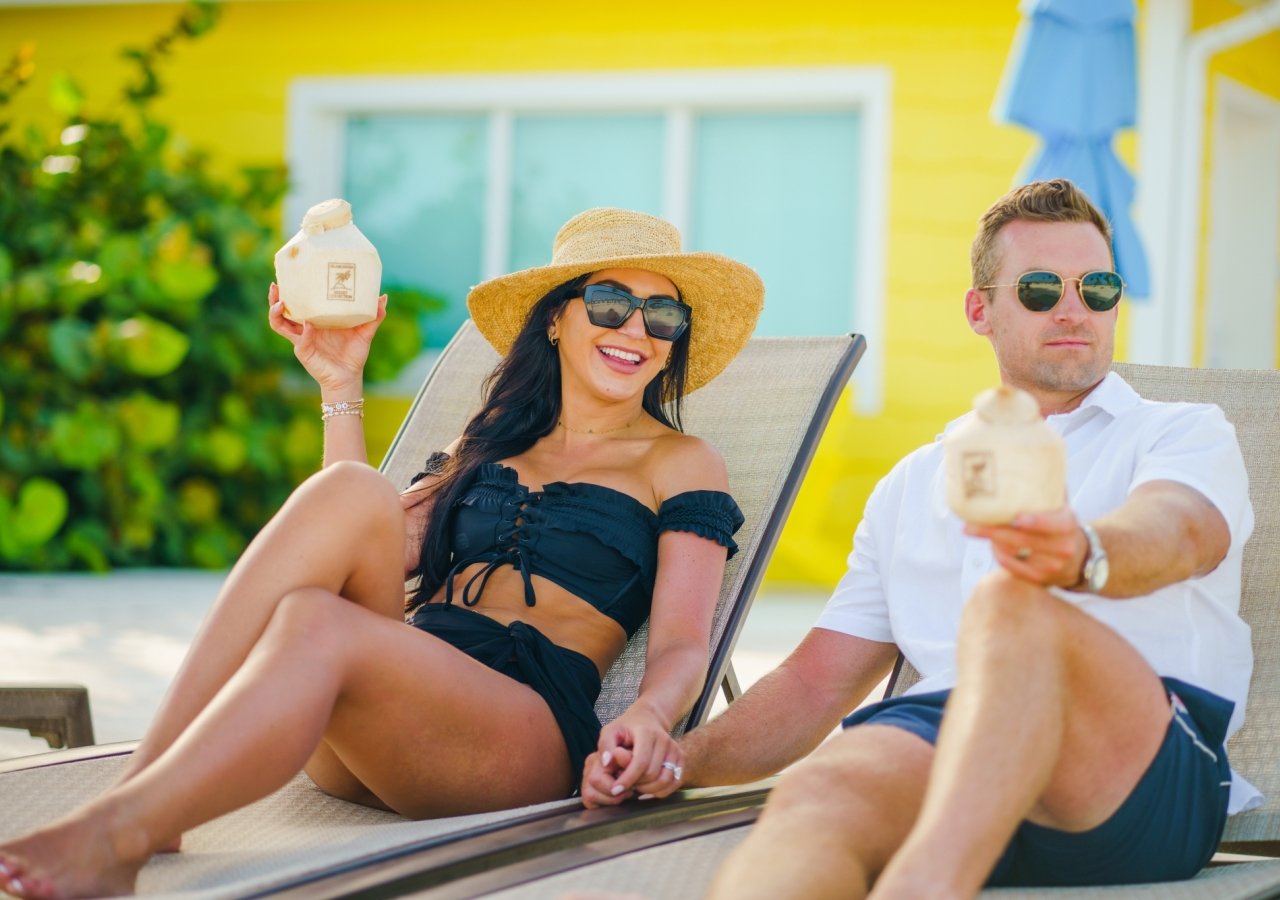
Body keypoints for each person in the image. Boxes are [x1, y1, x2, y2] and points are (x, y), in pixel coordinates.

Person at [0, 207, 763, 899]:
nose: (635, 331)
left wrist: (655, 719)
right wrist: (342, 380)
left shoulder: (681, 463)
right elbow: (356, 537)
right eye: (609, 305)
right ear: (557, 321)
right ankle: (146, 795)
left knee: (314, 621)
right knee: (353, 495)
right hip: (385, 721)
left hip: (514, 739)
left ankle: (123, 831)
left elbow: (683, 644)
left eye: (661, 315)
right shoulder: (490, 440)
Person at [587, 180, 1257, 897]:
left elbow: (1181, 528)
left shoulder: (1180, 430)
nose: (1074, 308)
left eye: (1098, 287)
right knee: (814, 801)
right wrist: (680, 760)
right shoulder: (913, 482)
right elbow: (815, 683)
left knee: (1014, 605)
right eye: (1039, 288)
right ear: (980, 309)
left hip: (1135, 771)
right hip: (947, 736)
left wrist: (1086, 553)